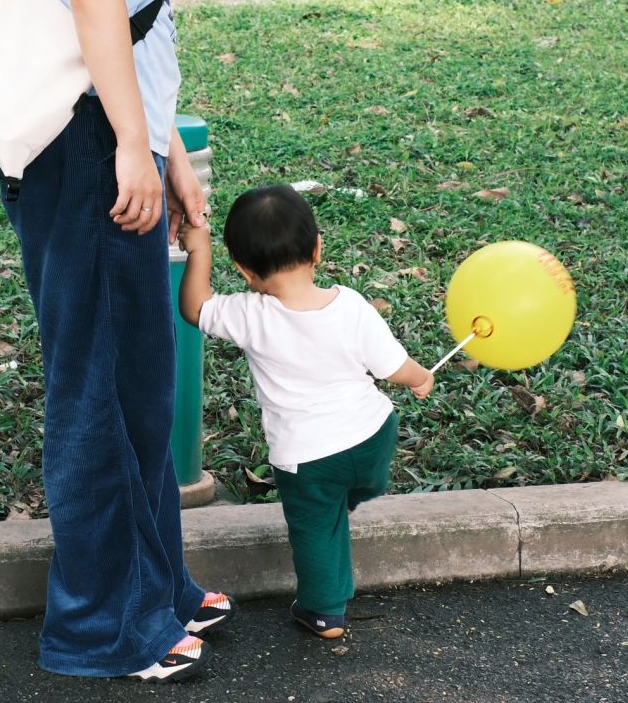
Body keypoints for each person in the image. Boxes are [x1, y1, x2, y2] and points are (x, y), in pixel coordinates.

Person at [0, 0, 296, 683]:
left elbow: (137, 12)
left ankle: (151, 585)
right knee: (98, 382)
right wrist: (128, 143)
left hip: (102, 128)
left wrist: (161, 148)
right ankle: (96, 629)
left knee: (133, 376)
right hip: (80, 136)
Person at [177, 185, 435, 640]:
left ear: (244, 270)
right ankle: (352, 497)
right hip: (373, 437)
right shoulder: (352, 305)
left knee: (314, 527)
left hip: (309, 458)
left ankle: (323, 611)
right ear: (317, 248)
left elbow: (195, 308)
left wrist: (199, 249)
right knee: (348, 493)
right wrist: (419, 379)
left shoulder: (250, 314)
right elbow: (394, 366)